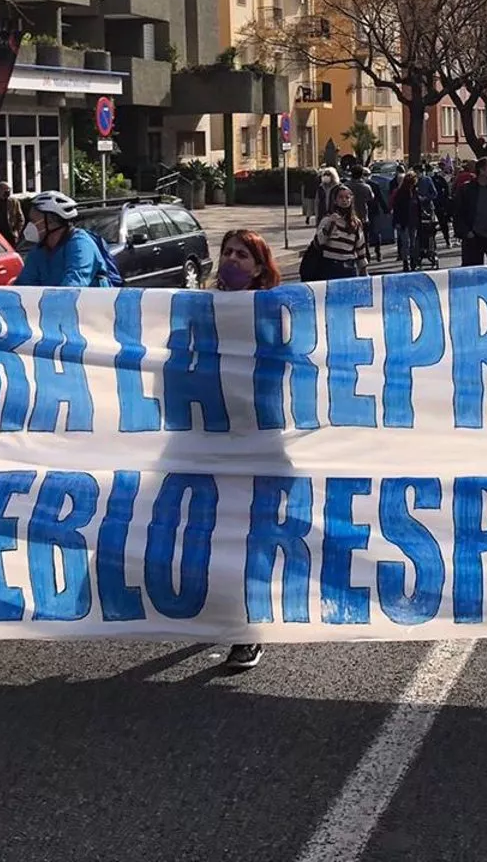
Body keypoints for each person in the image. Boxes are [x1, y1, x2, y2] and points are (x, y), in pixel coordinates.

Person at [206, 228, 282, 671]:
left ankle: (247, 630)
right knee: (217, 534)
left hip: (259, 438)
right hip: (208, 438)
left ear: (258, 268)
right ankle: (228, 616)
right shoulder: (201, 309)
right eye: (227, 252)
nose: (231, 260)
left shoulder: (271, 312)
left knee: (249, 535)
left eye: (242, 255)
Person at [15, 191, 119, 287]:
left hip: (93, 301)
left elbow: (74, 284)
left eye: (34, 221)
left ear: (50, 222)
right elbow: (24, 284)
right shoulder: (39, 250)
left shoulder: (81, 244)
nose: (30, 225)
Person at [311, 184, 369, 277]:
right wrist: (329, 224)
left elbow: (361, 248)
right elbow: (318, 242)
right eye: (340, 197)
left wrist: (363, 269)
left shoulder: (356, 223)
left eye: (347, 197)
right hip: (330, 266)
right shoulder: (327, 219)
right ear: (335, 200)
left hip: (349, 266)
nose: (344, 200)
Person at [0, 179, 24, 246]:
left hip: (10, 234)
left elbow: (20, 218)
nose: (8, 191)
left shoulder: (14, 202)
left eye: (9, 189)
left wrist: (17, 231)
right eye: (5, 189)